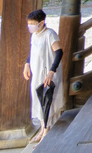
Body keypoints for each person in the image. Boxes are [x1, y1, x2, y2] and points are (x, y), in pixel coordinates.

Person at [22, 9, 63, 143]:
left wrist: (52, 71)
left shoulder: (50, 34)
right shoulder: (34, 35)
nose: (30, 26)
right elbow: (32, 51)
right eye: (29, 23)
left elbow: (59, 52)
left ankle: (46, 131)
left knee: (47, 100)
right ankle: (42, 128)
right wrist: (27, 64)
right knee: (38, 100)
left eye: (33, 23)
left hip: (47, 73)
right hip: (36, 72)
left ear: (41, 22)